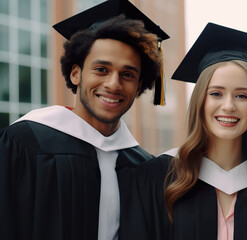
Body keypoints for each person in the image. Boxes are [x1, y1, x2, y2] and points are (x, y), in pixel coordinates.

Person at [0, 0, 169, 239]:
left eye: (128, 74)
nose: (113, 84)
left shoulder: (143, 166)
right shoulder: (24, 143)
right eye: (101, 69)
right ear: (76, 73)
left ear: (140, 85)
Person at [136, 22, 247, 240]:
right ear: (201, 101)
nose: (228, 106)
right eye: (216, 93)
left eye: (242, 95)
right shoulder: (157, 176)